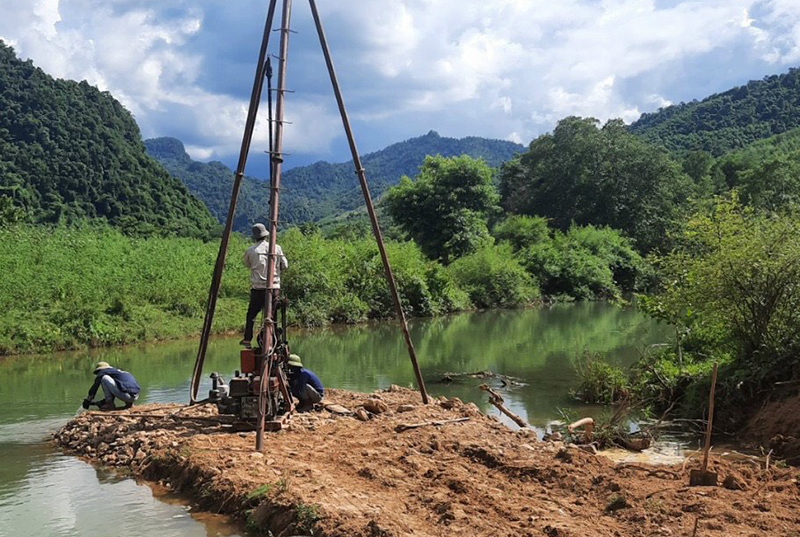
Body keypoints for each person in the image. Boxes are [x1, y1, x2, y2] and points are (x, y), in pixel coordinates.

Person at [241, 223, 288, 348]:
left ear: (255, 237)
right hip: (274, 288)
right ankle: (274, 339)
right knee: (272, 315)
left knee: (251, 315)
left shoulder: (251, 250)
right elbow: (285, 265)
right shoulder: (276, 248)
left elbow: (247, 264)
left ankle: (247, 339)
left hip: (258, 289)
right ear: (266, 235)